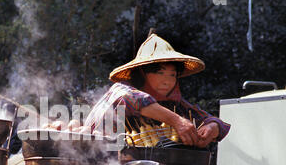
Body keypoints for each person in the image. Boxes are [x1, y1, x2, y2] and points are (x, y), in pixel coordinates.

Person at [84, 33, 230, 147]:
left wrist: (212, 127)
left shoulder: (174, 105)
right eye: (160, 73)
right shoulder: (120, 90)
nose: (167, 80)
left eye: (172, 75)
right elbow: (131, 98)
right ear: (142, 73)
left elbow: (213, 121)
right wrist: (177, 121)